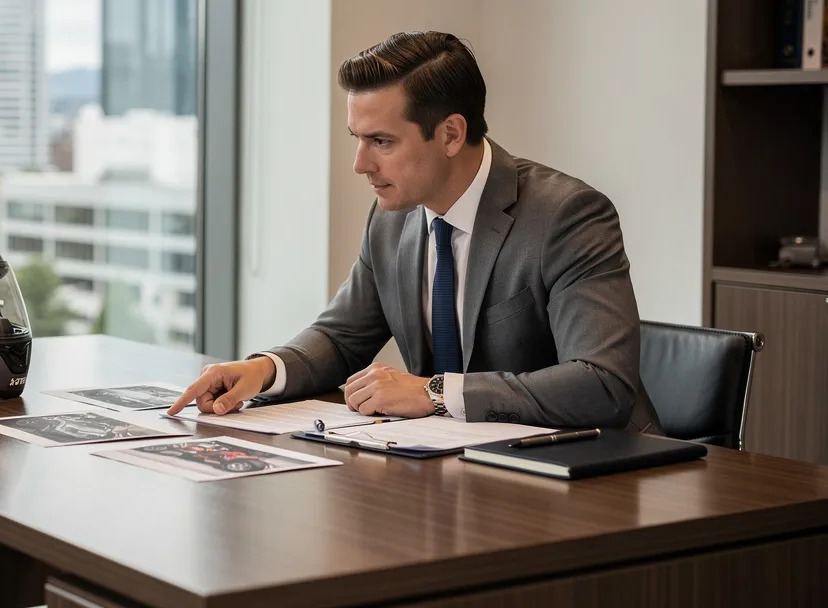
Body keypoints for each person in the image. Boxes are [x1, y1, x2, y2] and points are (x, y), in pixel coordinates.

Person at [169, 31, 661, 433]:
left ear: (450, 134)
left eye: (381, 141)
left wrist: (435, 392)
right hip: (459, 468)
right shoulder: (391, 217)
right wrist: (265, 371)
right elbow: (342, 338)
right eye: (358, 140)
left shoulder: (567, 216)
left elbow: (602, 385)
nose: (360, 164)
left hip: (592, 475)